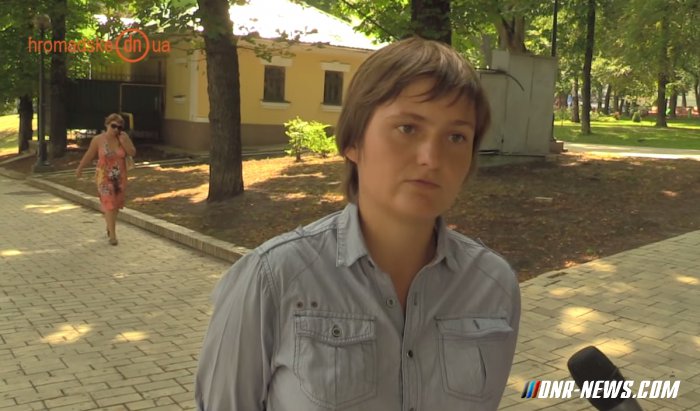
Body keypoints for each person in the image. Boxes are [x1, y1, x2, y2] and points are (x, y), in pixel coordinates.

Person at [195, 36, 521, 411]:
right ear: (353, 141)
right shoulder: (272, 280)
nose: (432, 158)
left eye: (456, 136)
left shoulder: (493, 287)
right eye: (408, 128)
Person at [76, 113, 136, 246]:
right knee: (109, 203)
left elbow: (132, 152)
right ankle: (113, 236)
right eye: (113, 126)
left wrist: (124, 142)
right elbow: (90, 154)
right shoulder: (98, 140)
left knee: (116, 205)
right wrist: (80, 167)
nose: (116, 129)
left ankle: (109, 226)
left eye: (119, 127)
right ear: (107, 125)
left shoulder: (123, 137)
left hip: (119, 176)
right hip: (104, 176)